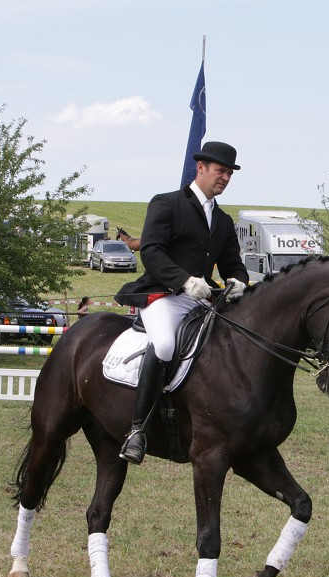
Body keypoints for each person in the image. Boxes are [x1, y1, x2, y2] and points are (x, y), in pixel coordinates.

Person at [114, 141, 249, 464]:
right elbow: (152, 252)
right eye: (220, 171)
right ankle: (137, 430)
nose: (225, 178)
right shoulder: (167, 203)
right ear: (200, 168)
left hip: (202, 302)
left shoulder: (223, 221)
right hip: (164, 297)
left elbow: (233, 262)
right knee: (163, 346)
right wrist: (184, 281)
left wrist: (238, 280)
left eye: (229, 174)